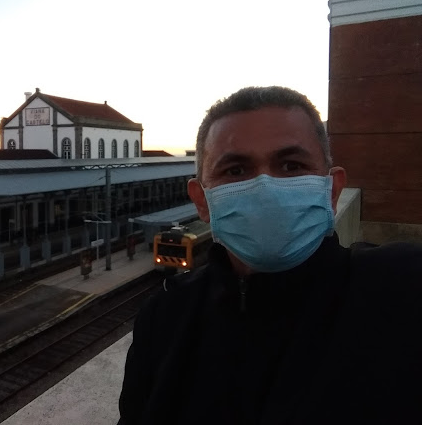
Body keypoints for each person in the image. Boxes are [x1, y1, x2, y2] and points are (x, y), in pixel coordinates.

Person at [117, 86, 422, 425]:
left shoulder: (404, 288)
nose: (264, 188)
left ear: (332, 191)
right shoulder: (162, 320)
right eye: (236, 171)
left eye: (291, 166)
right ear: (202, 200)